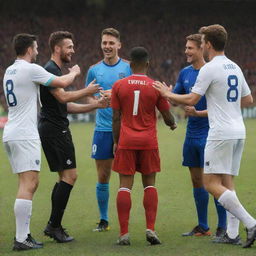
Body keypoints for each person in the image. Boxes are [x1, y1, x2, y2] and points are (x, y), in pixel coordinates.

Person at [153, 24, 256, 248]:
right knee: (227, 182)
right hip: (239, 131)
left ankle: (251, 223)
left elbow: (190, 99)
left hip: (219, 133)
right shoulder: (235, 66)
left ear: (207, 44)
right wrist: (224, 105)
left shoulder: (209, 68)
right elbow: (248, 100)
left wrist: (165, 92)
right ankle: (231, 233)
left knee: (210, 183)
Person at [2, 33, 80, 251]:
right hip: (25, 134)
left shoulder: (10, 69)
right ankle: (21, 238)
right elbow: (62, 83)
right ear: (29, 50)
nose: (37, 52)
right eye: (35, 49)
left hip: (11, 132)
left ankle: (24, 235)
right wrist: (73, 72)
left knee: (26, 184)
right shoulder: (31, 69)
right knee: (30, 184)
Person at [38, 31, 109, 243]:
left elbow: (65, 105)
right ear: (57, 48)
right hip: (55, 130)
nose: (73, 50)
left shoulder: (54, 70)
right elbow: (64, 96)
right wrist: (86, 89)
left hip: (54, 127)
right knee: (70, 176)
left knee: (64, 178)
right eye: (69, 46)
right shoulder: (50, 69)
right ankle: (54, 225)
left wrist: (95, 105)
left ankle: (54, 224)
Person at [111, 46, 177, 245]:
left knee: (124, 187)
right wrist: (172, 123)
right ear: (148, 64)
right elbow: (166, 116)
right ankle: (150, 229)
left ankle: (124, 234)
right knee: (149, 184)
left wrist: (116, 141)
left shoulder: (119, 85)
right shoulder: (155, 86)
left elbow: (115, 118)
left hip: (127, 141)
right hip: (149, 142)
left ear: (130, 64)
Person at [173, 34, 226, 237]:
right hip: (191, 135)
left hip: (210, 134)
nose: (186, 51)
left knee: (213, 183)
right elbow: (177, 99)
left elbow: (219, 106)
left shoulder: (211, 72)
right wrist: (169, 94)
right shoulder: (184, 73)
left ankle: (222, 227)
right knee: (197, 181)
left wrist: (197, 112)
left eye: (190, 48)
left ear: (200, 49)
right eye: (185, 48)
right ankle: (203, 226)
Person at [85, 28, 132, 231]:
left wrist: (117, 96)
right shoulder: (94, 70)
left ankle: (125, 224)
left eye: (111, 43)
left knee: (127, 176)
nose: (107, 46)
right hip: (103, 130)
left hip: (126, 130)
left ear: (119, 45)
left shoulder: (129, 68)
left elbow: (135, 93)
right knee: (103, 176)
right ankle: (104, 220)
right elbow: (87, 94)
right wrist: (97, 102)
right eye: (104, 42)